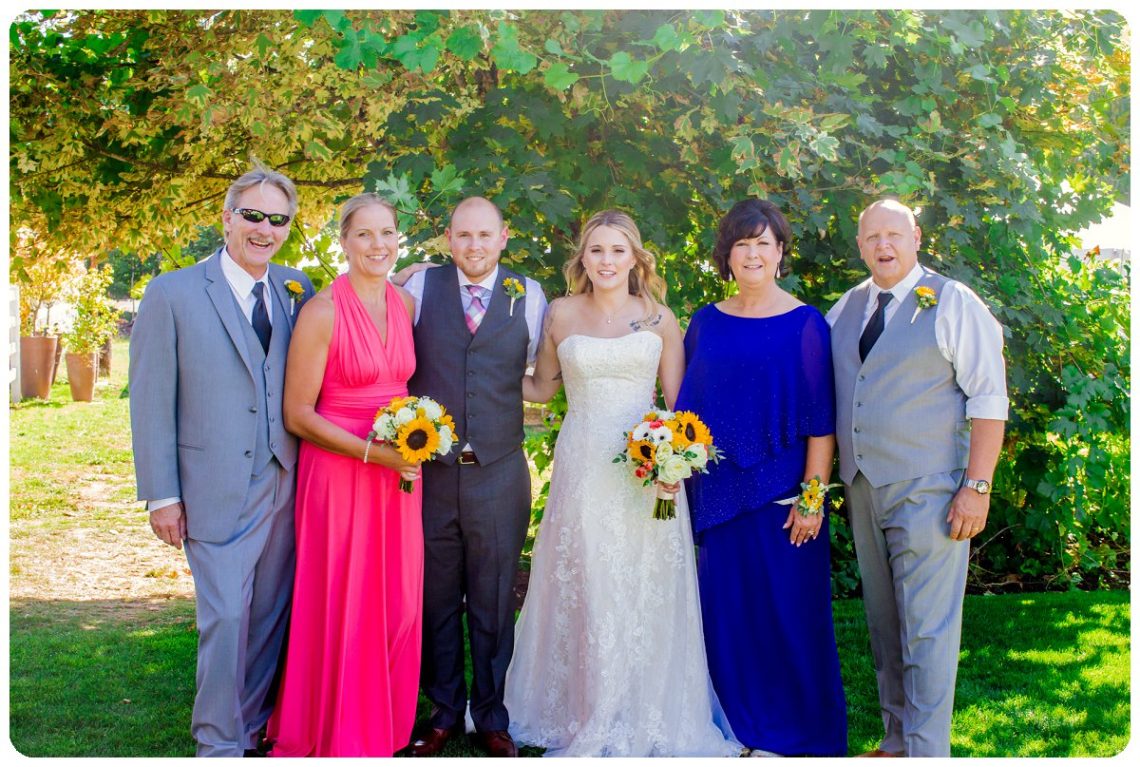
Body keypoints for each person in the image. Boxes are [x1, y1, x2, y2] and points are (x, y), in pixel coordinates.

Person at [503, 210, 740, 757]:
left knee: (645, 583)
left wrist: (676, 459)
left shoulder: (658, 318)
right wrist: (480, 367)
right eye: (596, 250)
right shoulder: (560, 314)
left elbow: (681, 406)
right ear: (582, 258)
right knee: (586, 582)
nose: (606, 261)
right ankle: (583, 707)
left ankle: (645, 707)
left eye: (616, 251)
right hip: (584, 466)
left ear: (635, 258)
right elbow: (540, 389)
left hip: (648, 474)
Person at [129, 164, 315, 757]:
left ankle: (253, 723)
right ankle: (216, 742)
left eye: (278, 219)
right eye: (253, 215)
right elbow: (151, 397)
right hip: (210, 485)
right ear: (228, 217)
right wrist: (162, 495)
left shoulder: (297, 289)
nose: (265, 229)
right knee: (225, 617)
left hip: (286, 477)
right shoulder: (173, 292)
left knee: (267, 615)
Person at [826, 199, 1008, 757]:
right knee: (884, 623)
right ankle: (897, 738)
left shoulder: (953, 302)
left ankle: (929, 751)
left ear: (916, 237)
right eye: (872, 236)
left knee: (927, 628)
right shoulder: (843, 309)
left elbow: (989, 399)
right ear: (860, 246)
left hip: (932, 487)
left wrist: (976, 487)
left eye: (893, 234)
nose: (883, 245)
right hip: (862, 487)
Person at [674, 198, 847, 756]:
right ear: (727, 255)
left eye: (763, 243)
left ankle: (799, 730)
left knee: (789, 616)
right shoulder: (704, 322)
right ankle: (735, 730)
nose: (752, 253)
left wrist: (813, 499)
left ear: (780, 254)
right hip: (718, 495)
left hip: (783, 499)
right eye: (742, 243)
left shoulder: (806, 324)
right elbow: (687, 413)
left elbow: (822, 422)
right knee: (727, 615)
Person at [264, 194, 422, 756]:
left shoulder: (404, 303)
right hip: (340, 472)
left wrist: (401, 448)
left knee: (398, 599)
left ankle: (385, 719)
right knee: (344, 599)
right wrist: (369, 453)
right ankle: (336, 727)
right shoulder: (322, 311)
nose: (377, 245)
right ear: (344, 241)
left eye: (387, 234)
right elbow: (298, 414)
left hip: (398, 472)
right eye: (364, 235)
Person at [398, 196, 548, 758]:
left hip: (500, 473)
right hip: (429, 477)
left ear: (504, 236)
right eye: (464, 235)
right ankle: (440, 711)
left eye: (485, 235)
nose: (475, 246)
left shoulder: (530, 297)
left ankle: (489, 714)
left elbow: (543, 376)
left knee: (491, 599)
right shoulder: (416, 290)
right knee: (435, 598)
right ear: (448, 238)